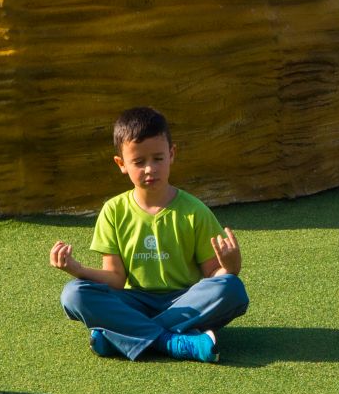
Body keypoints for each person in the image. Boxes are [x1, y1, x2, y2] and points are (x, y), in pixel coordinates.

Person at [50, 107, 247, 362]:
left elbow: (213, 276)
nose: (149, 169)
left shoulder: (195, 211)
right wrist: (77, 269)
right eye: (139, 162)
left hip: (184, 302)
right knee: (73, 294)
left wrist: (230, 266)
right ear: (121, 164)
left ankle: (121, 336)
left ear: (172, 154)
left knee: (232, 289)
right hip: (133, 301)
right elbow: (116, 280)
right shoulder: (113, 211)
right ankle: (172, 342)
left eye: (158, 158)